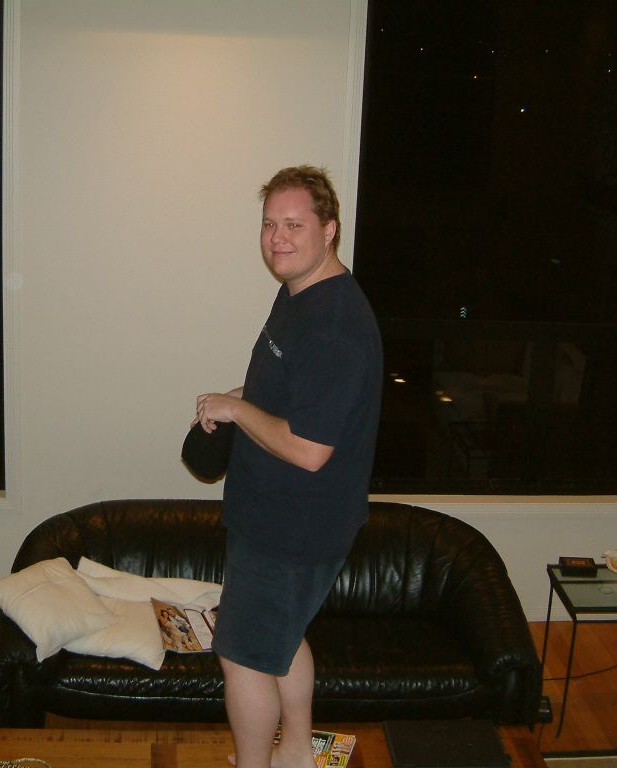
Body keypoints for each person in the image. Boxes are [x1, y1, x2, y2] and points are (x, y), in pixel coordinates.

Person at [193, 166, 382, 768]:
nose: (278, 238)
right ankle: (297, 752)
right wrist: (243, 400)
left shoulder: (336, 326)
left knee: (244, 657)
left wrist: (237, 410)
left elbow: (309, 449)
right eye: (270, 224)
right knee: (282, 636)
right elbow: (292, 392)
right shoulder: (299, 293)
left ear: (330, 230)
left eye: (294, 225)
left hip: (293, 528)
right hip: (270, 514)